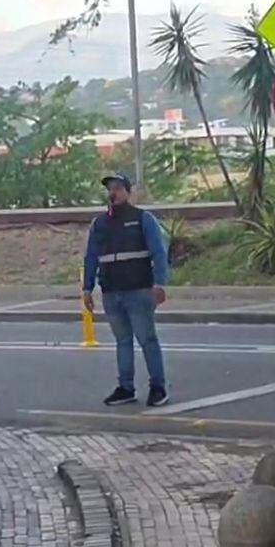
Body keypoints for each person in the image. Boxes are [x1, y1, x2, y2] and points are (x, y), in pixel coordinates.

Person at [82, 174, 171, 407]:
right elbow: (91, 257)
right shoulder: (99, 224)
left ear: (128, 192)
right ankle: (126, 387)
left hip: (139, 290)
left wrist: (160, 284)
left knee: (147, 339)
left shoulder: (143, 219)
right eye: (110, 188)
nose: (113, 192)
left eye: (118, 188)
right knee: (122, 341)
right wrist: (87, 289)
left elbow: (159, 253)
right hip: (111, 292)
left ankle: (158, 387)